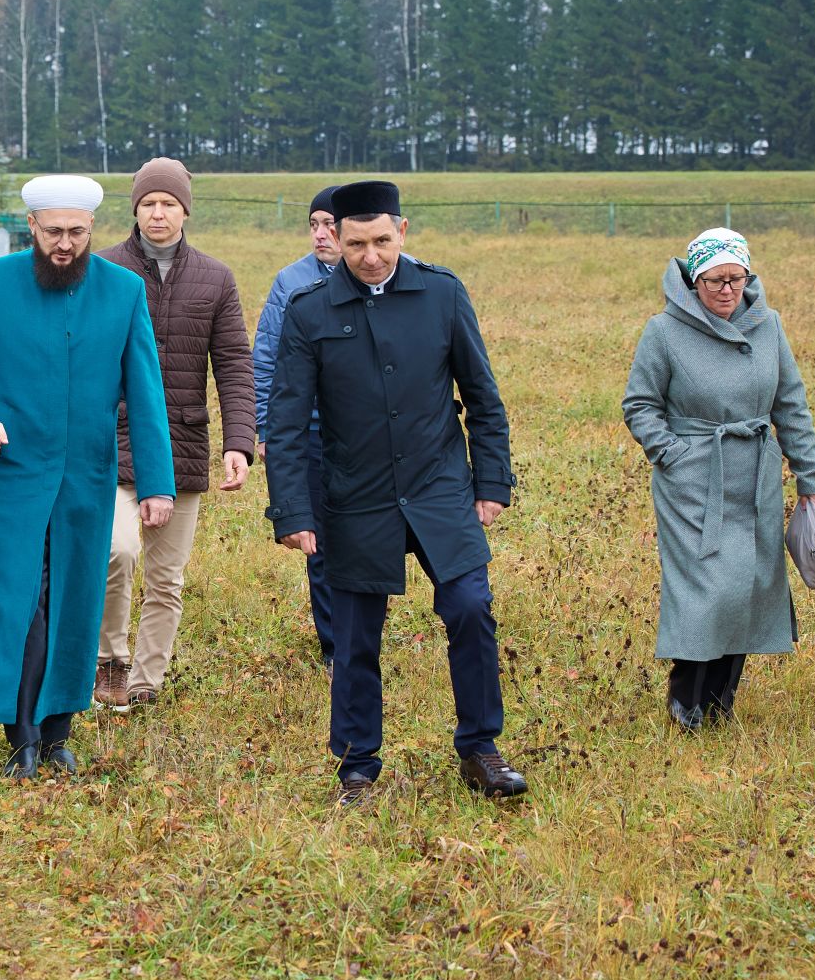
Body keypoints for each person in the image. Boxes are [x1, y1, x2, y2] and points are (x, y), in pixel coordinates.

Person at [263, 180, 526, 807]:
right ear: (338, 240)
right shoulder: (309, 311)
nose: (371, 255)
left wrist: (491, 482)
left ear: (402, 232)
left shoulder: (442, 294)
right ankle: (357, 766)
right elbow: (289, 419)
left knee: (469, 607)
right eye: (356, 244)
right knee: (355, 637)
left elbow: (483, 400)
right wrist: (294, 511)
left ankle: (480, 748)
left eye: (382, 241)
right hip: (354, 497)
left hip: (439, 489)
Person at [0, 174, 175, 779]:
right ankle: (20, 733)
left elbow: (145, 394)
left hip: (85, 481)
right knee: (18, 599)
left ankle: (59, 729)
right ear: (32, 229)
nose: (64, 245)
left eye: (75, 233)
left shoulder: (123, 291)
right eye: (53, 233)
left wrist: (156, 484)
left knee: (75, 600)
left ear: (92, 230)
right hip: (10, 476)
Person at [622, 228, 815, 728]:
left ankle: (718, 704)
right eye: (716, 280)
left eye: (737, 279)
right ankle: (684, 703)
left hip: (755, 477)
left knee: (747, 587)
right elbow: (640, 404)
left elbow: (791, 405)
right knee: (705, 588)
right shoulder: (664, 331)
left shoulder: (768, 325)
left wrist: (810, 476)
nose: (727, 290)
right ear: (694, 279)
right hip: (692, 482)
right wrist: (672, 453)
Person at [95, 157, 254, 709]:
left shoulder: (216, 278)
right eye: (147, 204)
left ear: (185, 209)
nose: (157, 213)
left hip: (184, 442)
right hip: (113, 442)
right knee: (116, 553)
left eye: (167, 204)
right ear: (134, 210)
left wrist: (240, 442)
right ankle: (108, 661)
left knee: (166, 577)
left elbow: (234, 361)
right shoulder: (104, 269)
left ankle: (145, 681)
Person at [252, 185, 341, 668]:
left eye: (330, 224)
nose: (320, 235)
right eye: (313, 225)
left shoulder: (389, 275)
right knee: (319, 541)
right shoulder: (292, 282)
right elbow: (265, 356)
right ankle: (334, 646)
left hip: (369, 435)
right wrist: (265, 428)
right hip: (308, 433)